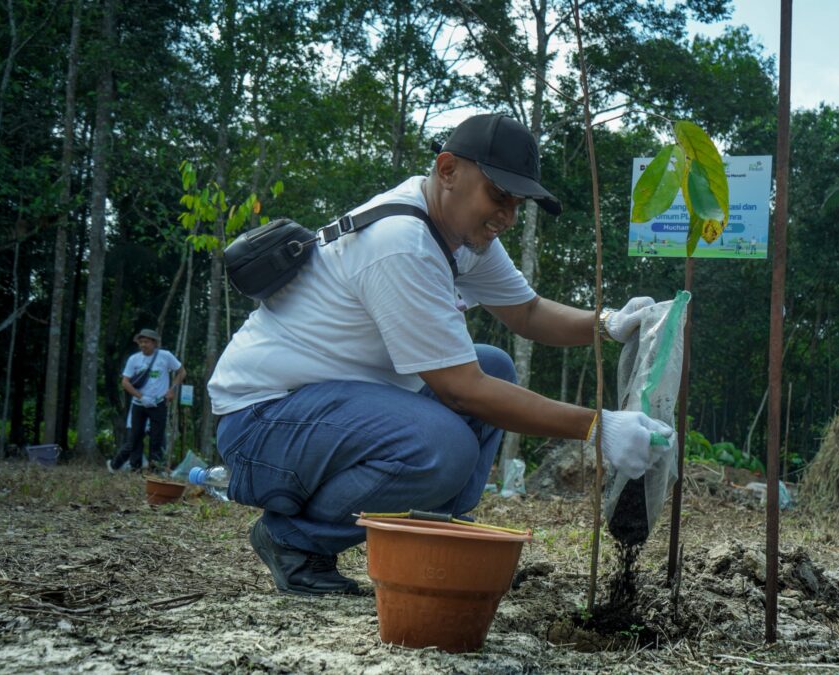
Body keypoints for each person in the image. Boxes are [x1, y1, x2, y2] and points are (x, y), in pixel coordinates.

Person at [208, 113, 674, 597]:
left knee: (493, 363)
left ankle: (436, 536)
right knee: (442, 445)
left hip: (326, 410)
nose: (508, 218)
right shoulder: (401, 244)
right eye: (499, 196)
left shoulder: (458, 233)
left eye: (519, 204)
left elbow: (528, 313)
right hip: (262, 423)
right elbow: (461, 390)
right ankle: (294, 542)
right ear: (448, 170)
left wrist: (607, 324)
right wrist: (597, 428)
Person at [108, 328, 186, 473]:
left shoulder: (165, 356)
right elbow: (125, 382)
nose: (143, 345)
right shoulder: (134, 359)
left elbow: (181, 372)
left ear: (155, 343)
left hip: (158, 403)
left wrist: (172, 389)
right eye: (141, 342)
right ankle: (131, 466)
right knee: (135, 437)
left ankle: (155, 468)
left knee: (157, 437)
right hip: (139, 403)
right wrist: (140, 397)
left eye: (147, 342)